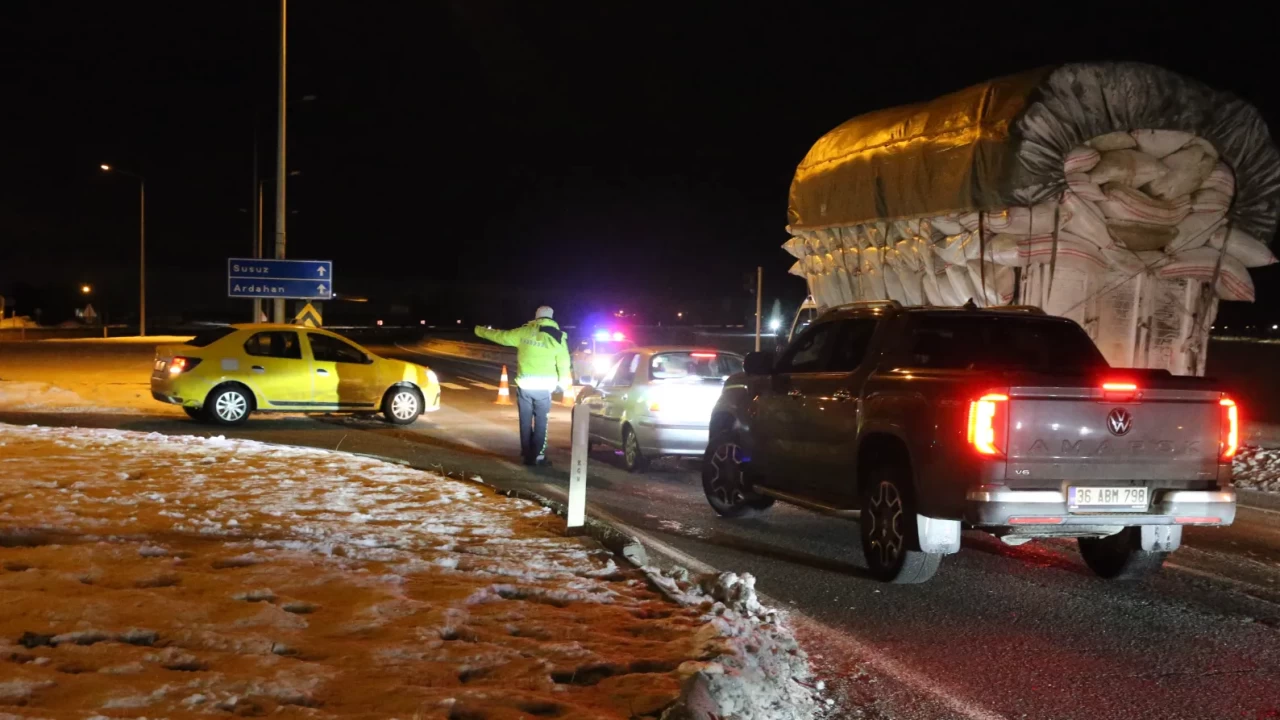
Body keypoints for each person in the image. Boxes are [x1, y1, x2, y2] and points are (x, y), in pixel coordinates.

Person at [475, 306, 573, 465]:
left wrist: (479, 330)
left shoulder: (524, 332)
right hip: (544, 387)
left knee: (525, 421)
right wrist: (562, 384)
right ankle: (538, 456)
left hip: (525, 385)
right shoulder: (557, 337)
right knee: (542, 422)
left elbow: (501, 336)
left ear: (536, 317)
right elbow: (563, 363)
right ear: (551, 317)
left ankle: (527, 453)